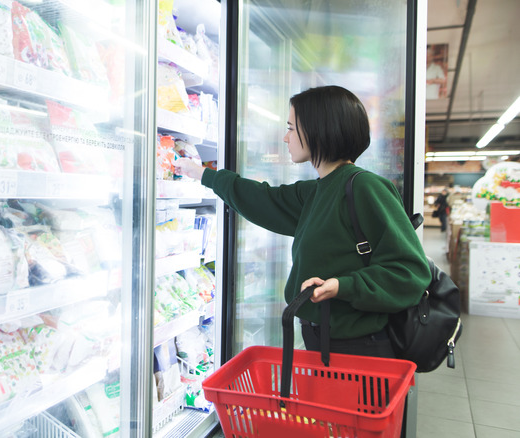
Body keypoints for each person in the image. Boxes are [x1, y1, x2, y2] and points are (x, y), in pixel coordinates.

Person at [174, 85, 431, 359]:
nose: (286, 138)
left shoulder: (365, 188)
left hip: (359, 349)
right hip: (323, 342)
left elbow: (411, 272)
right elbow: (263, 200)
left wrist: (343, 286)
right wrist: (203, 175)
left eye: (291, 128)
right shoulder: (318, 190)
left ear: (318, 130)